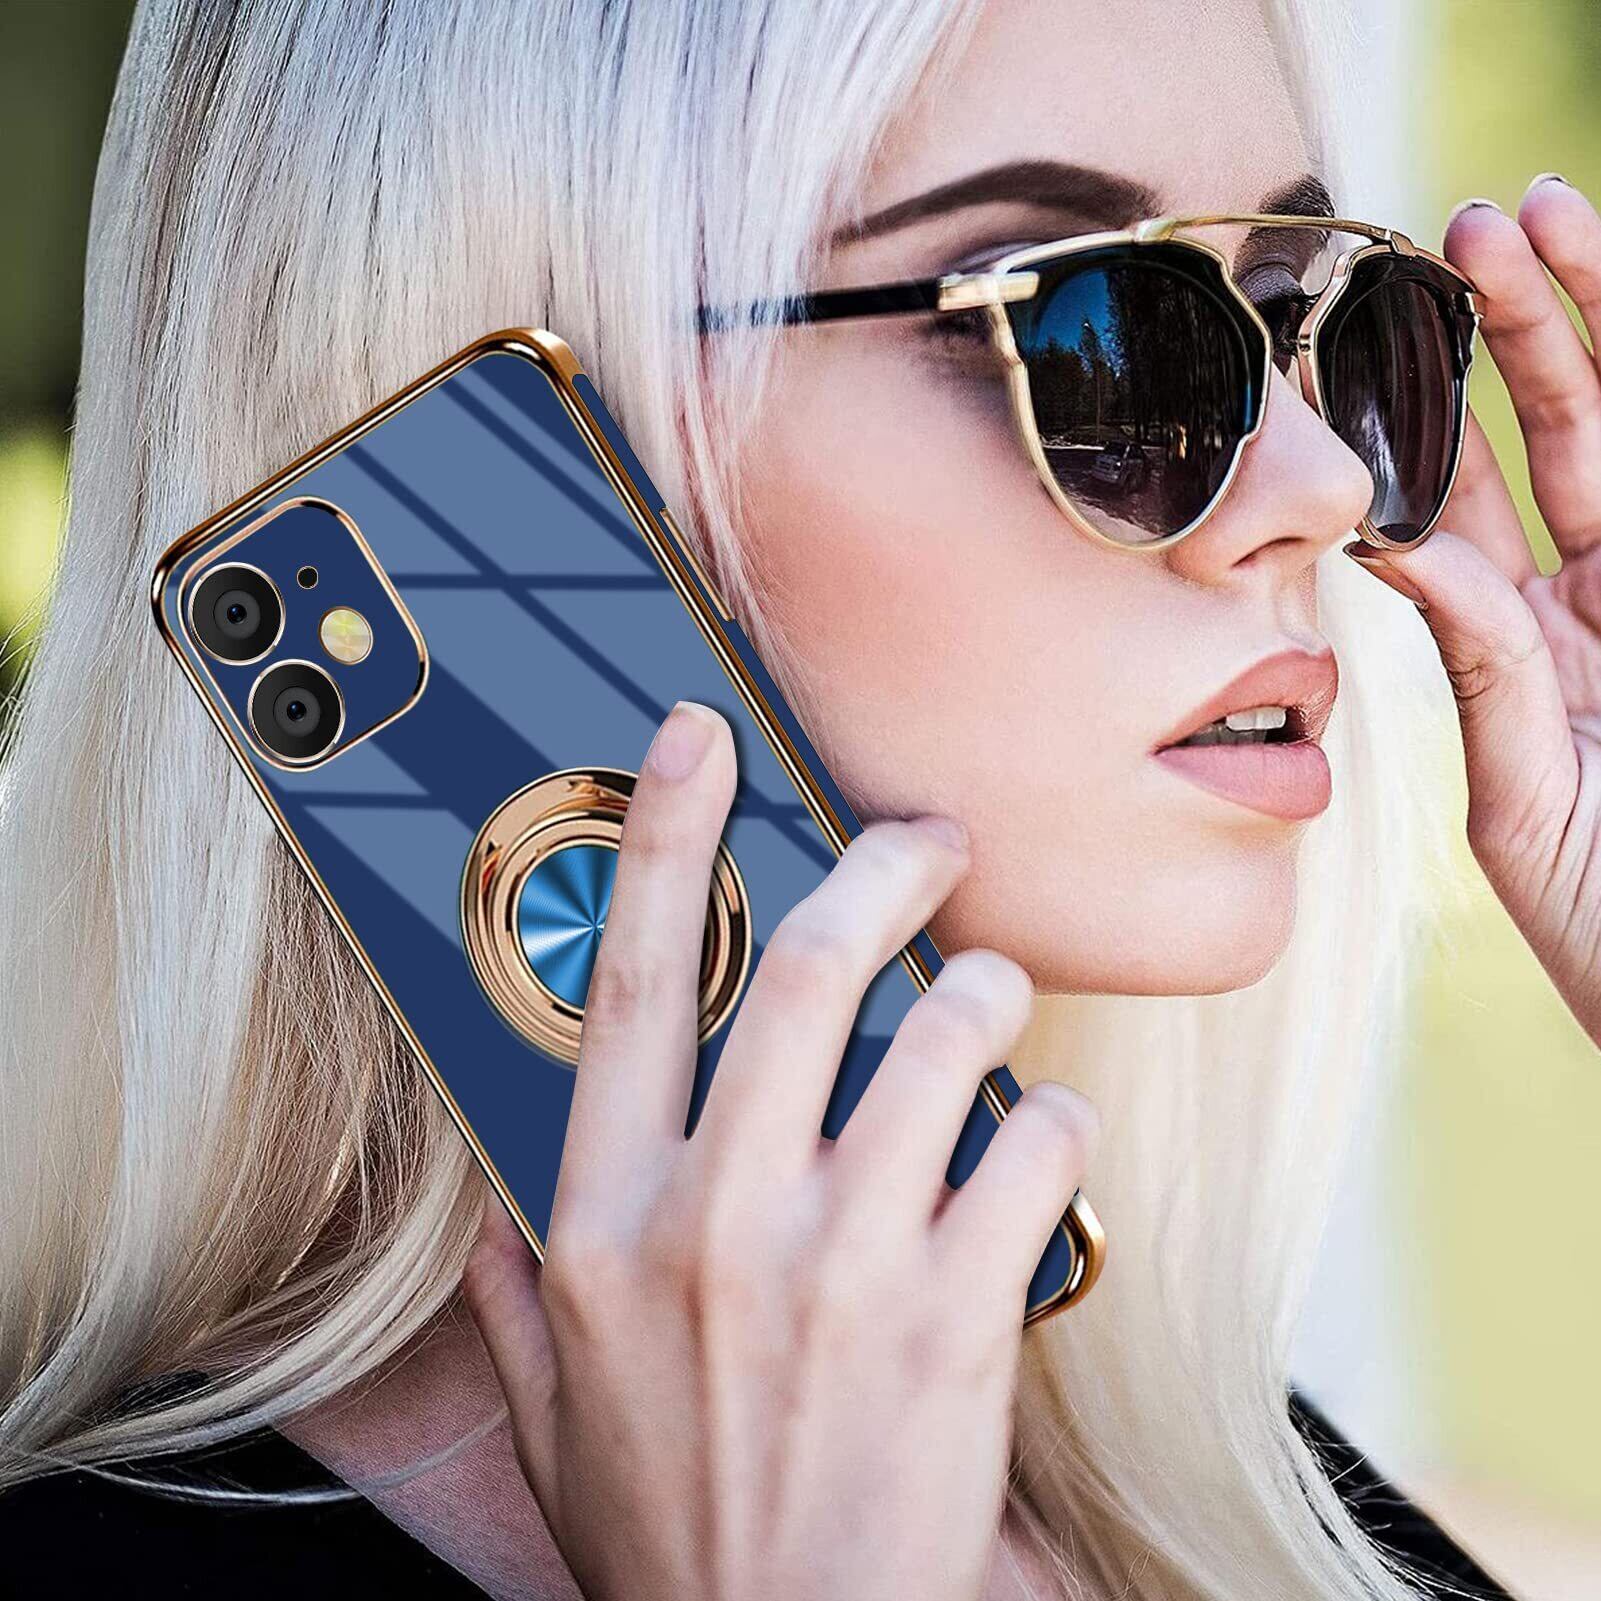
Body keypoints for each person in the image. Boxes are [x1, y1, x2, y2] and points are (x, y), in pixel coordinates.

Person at [2, 0, 1597, 1596]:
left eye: (1296, 310)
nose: (1321, 484)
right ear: (535, 459)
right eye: (1094, 328)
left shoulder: (1277, 1519)